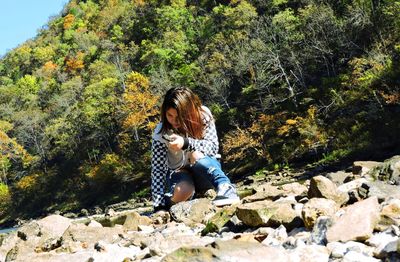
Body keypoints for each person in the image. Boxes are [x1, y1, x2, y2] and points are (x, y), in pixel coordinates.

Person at [151, 87, 240, 211]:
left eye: (179, 116)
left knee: (195, 154)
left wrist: (186, 143)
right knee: (183, 191)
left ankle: (226, 187)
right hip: (180, 175)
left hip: (206, 172)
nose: (174, 121)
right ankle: (170, 202)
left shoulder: (203, 115)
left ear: (189, 111)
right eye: (169, 115)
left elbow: (213, 147)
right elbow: (158, 169)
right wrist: (158, 203)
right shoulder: (160, 132)